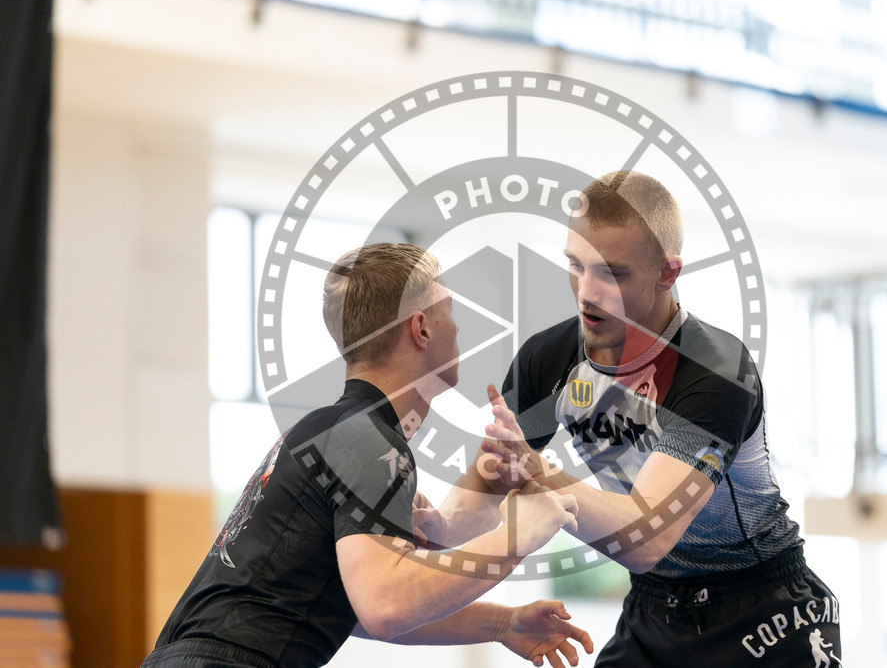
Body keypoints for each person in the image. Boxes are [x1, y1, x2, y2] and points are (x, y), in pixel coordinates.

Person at [415, 172, 842, 667]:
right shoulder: (547, 359)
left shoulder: (717, 371)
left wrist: (536, 472)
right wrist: (443, 526)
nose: (586, 293)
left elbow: (649, 536)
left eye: (612, 274)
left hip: (762, 603)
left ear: (667, 272)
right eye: (575, 265)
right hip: (655, 603)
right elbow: (497, 476)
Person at [143, 243, 593, 668]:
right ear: (421, 328)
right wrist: (517, 536)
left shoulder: (331, 430)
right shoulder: (368, 442)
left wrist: (501, 623)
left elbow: (355, 606)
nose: (458, 328)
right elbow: (386, 606)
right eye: (450, 310)